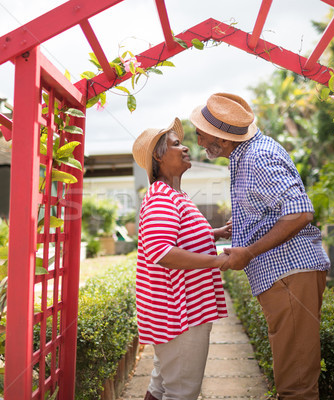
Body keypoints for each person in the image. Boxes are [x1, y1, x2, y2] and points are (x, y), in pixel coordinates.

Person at [190, 93, 331, 400]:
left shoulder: (257, 158)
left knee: (296, 386)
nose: (198, 141)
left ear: (223, 140)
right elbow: (270, 211)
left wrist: (249, 252)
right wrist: (238, 230)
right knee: (293, 375)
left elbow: (300, 211)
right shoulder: (246, 155)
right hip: (285, 276)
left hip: (290, 274)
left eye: (200, 134)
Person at [131, 117, 230, 400]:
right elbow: (162, 251)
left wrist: (215, 233)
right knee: (182, 392)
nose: (185, 148)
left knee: (160, 385)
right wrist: (217, 261)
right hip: (180, 315)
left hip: (176, 313)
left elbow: (177, 237)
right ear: (158, 156)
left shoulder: (176, 194)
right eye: (176, 145)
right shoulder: (163, 197)